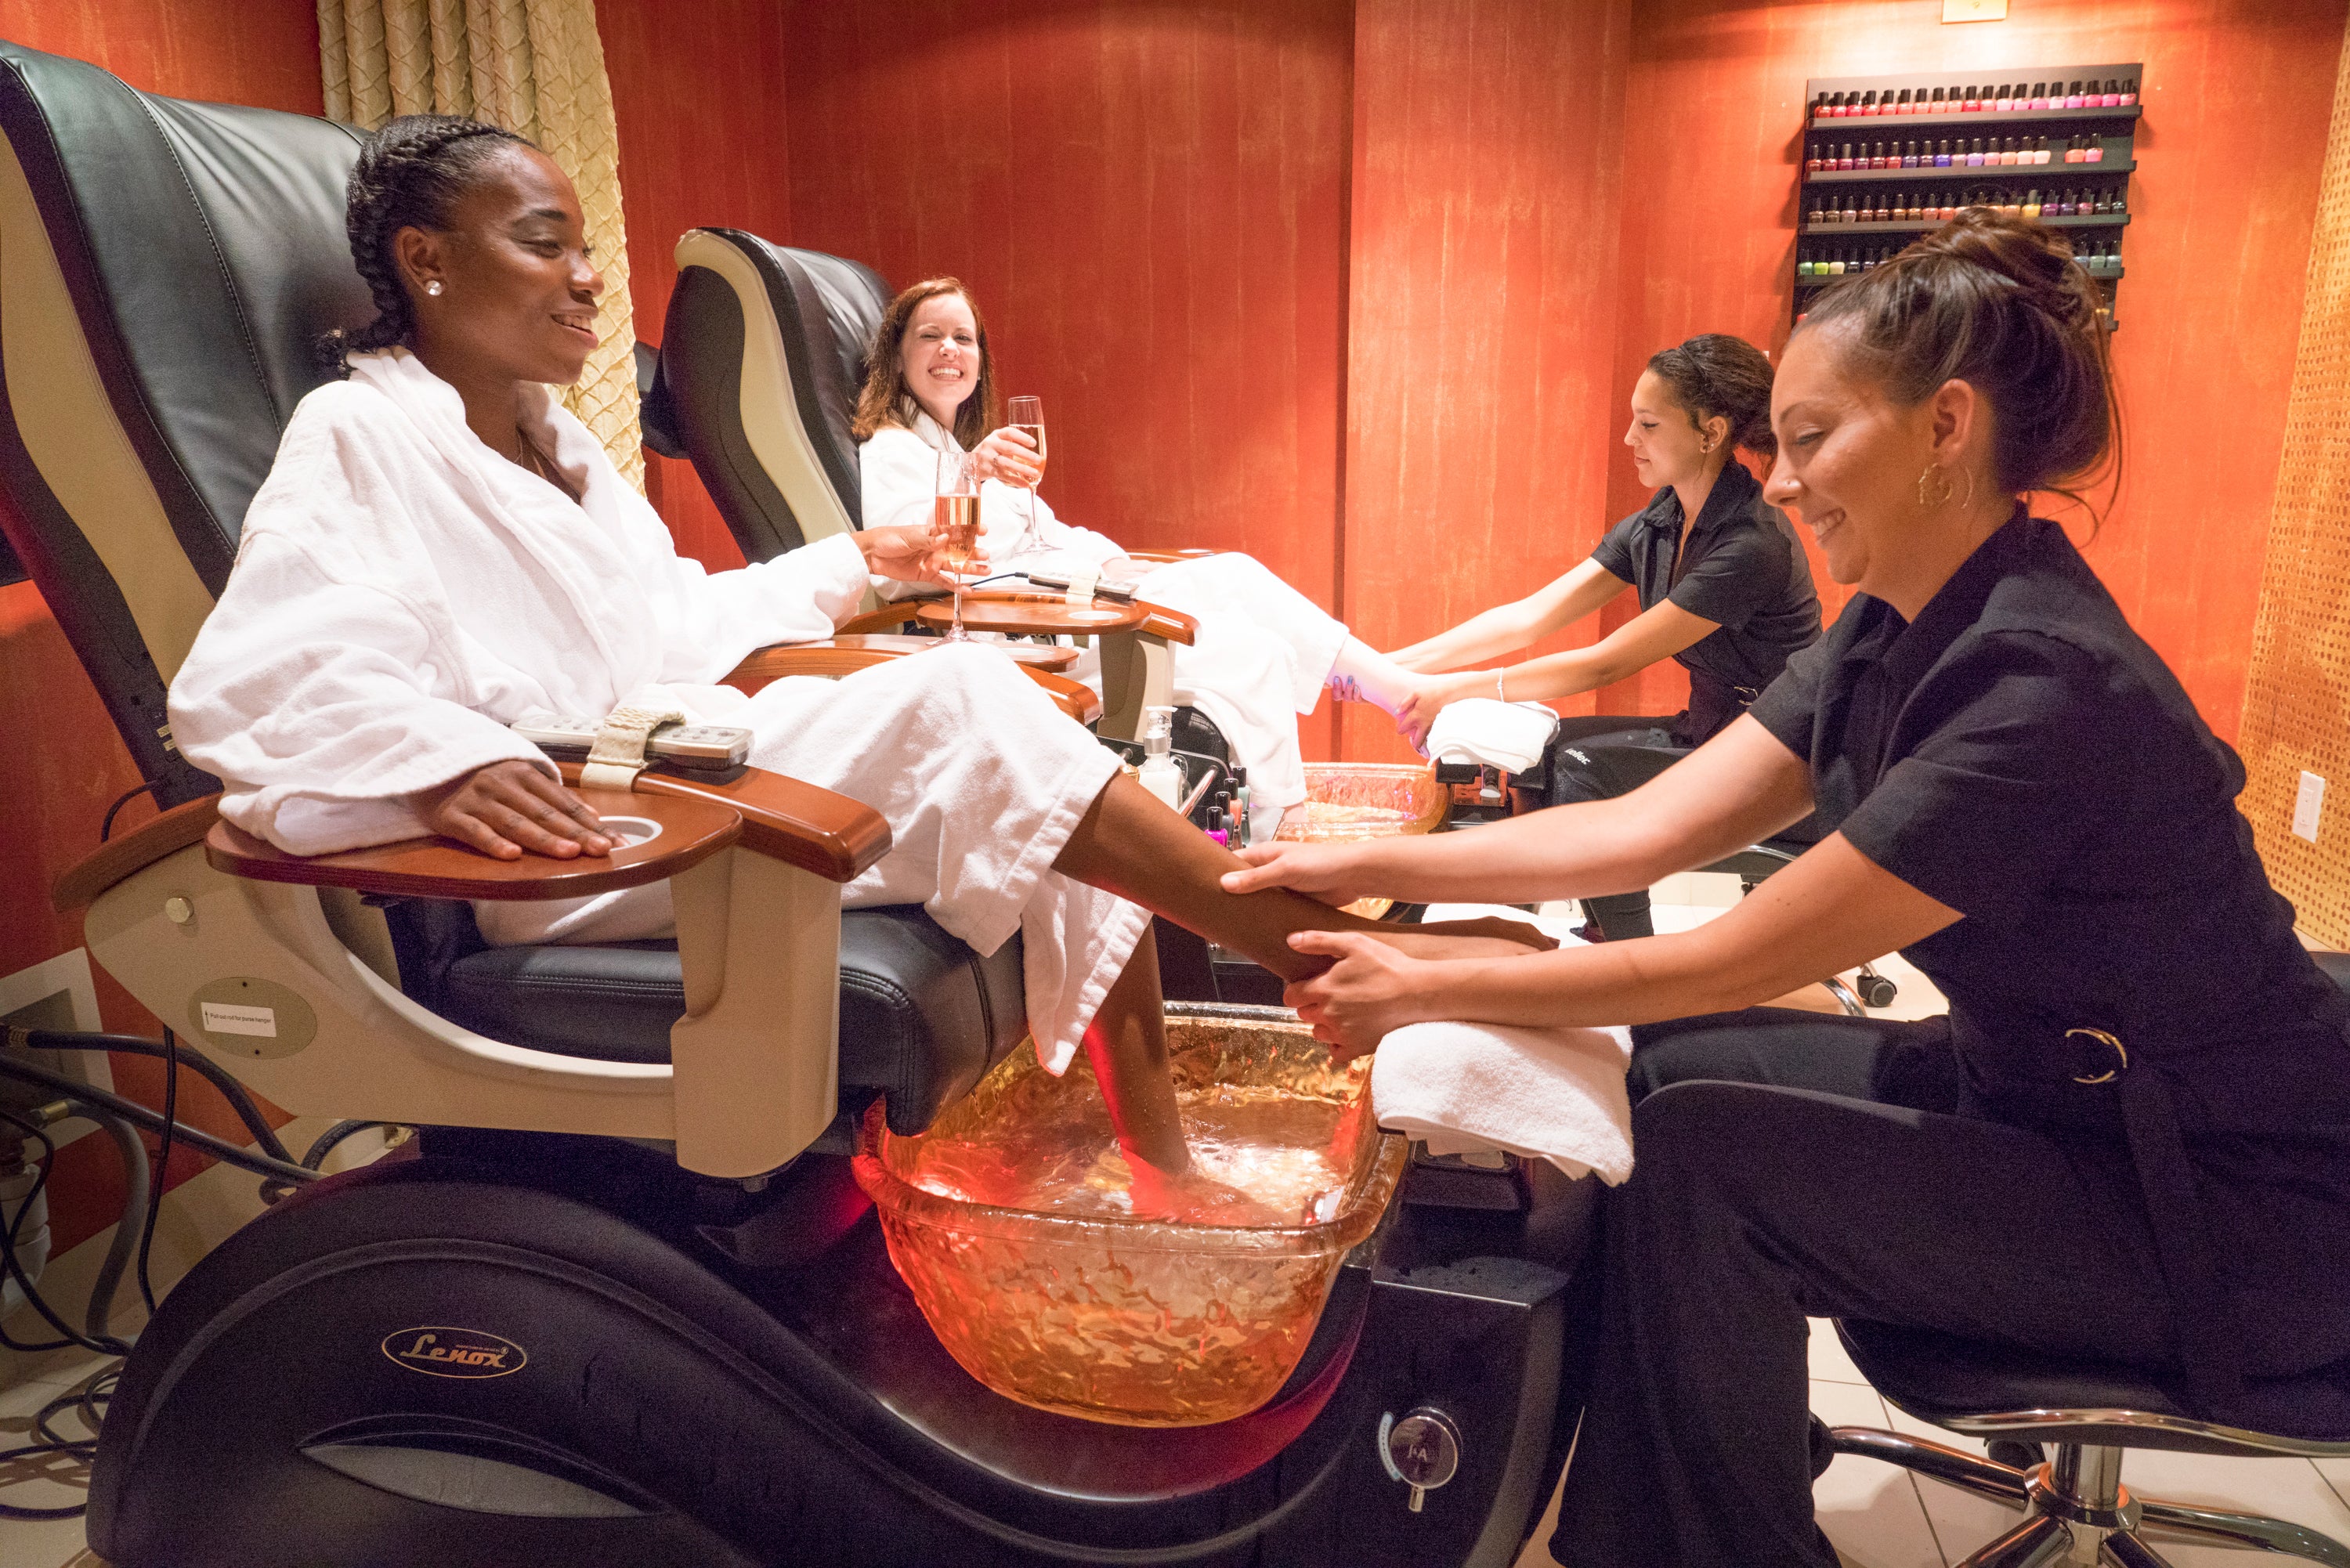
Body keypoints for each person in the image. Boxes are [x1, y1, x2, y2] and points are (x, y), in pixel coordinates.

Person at [1222, 211, 2350, 1566]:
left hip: (2223, 1204)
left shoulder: (2045, 684)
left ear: (1945, 428)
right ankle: (1714, 1454)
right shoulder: (1897, 617)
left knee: (1708, 1152)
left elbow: (1730, 950)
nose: (1789, 480)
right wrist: (1361, 859)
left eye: (1813, 439)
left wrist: (1427, 979)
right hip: (2044, 1098)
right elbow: (1634, 835)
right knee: (1662, 1070)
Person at [166, 117, 1542, 1207]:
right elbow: (258, 675)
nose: (589, 277)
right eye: (543, 243)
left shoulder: (560, 451)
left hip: (664, 773)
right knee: (966, 705)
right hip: (578, 845)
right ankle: (1340, 964)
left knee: (1023, 726)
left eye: (585, 245)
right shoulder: (360, 437)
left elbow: (678, 622)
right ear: (427, 261)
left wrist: (854, 566)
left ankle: (1169, 1139)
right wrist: (446, 756)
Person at [855, 280, 1444, 833]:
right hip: (1018, 630)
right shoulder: (894, 448)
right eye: (929, 336)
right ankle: (1310, 799)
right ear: (897, 357)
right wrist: (971, 474)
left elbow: (1052, 533)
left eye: (964, 337)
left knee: (1242, 606)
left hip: (1072, 601)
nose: (949, 349)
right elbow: (906, 565)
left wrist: (1115, 564)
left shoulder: (970, 449)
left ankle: (1311, 790)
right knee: (1252, 645)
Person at [1384, 334, 1822, 938]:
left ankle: (1631, 964)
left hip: (1775, 758)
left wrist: (1453, 692)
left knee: (1584, 769)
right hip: (1709, 732)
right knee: (1542, 756)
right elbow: (1529, 617)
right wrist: (1381, 668)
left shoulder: (1751, 546)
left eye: (1647, 423)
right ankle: (1548, 938)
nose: (1629, 440)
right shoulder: (1661, 519)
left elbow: (1603, 665)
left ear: (1711, 431)